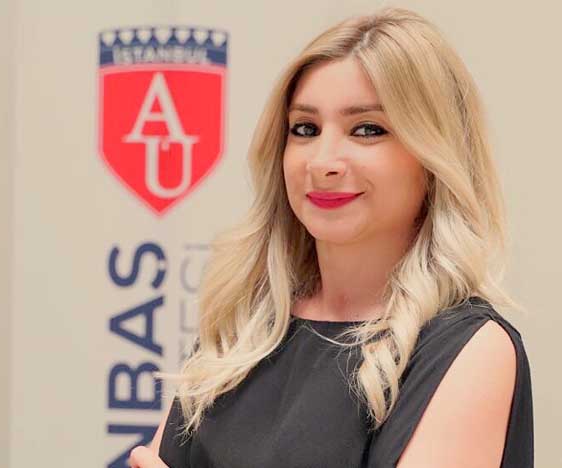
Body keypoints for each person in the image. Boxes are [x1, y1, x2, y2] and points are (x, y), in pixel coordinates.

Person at [129, 6, 533, 468]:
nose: (323, 162)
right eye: (305, 129)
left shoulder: (471, 349)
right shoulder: (245, 328)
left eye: (367, 130)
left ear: (433, 156)